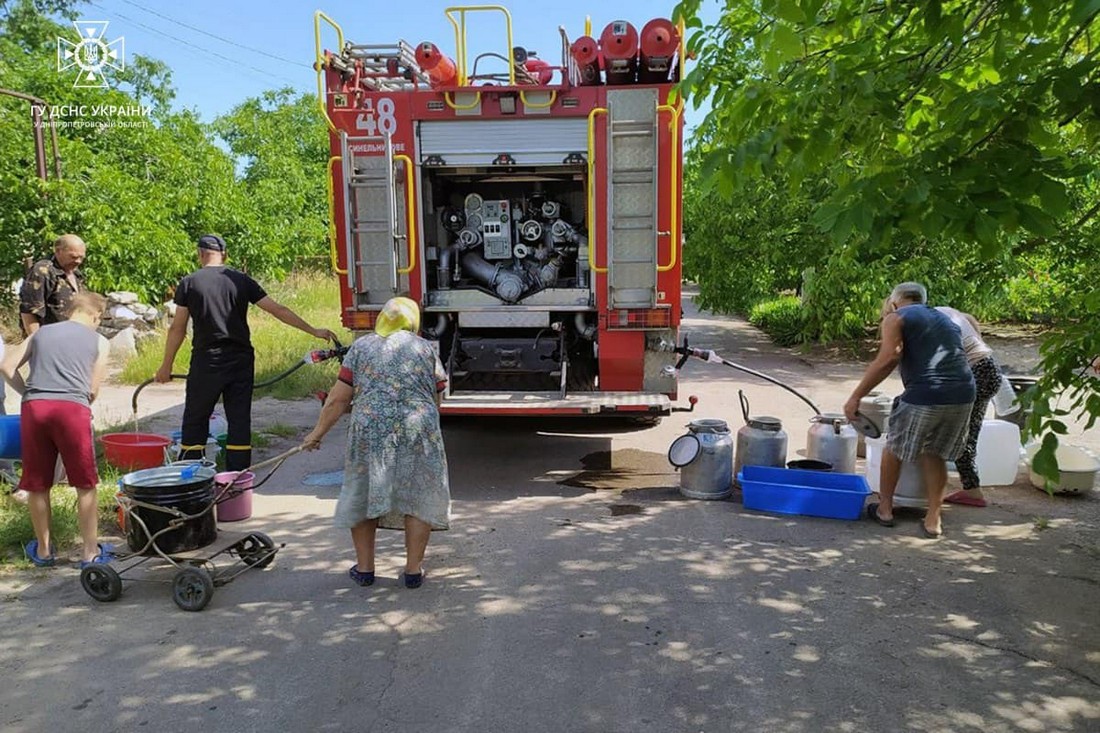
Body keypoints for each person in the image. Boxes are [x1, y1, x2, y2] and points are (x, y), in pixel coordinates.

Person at [302, 297, 450, 589]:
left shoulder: (361, 347)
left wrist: (316, 434)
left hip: (370, 429)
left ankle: (366, 568)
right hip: (418, 427)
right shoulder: (424, 349)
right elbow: (438, 393)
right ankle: (413, 570)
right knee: (418, 495)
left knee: (363, 491)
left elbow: (338, 399)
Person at [155, 234, 337, 472]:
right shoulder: (240, 280)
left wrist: (166, 366)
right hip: (240, 361)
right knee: (239, 420)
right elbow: (277, 310)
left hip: (206, 362)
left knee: (195, 419)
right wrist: (313, 330)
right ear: (225, 255)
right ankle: (238, 478)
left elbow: (177, 327)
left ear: (200, 254)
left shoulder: (190, 282)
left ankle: (192, 477)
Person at [844, 282, 975, 539]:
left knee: (893, 447)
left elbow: (889, 357)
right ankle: (933, 519)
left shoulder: (896, 317)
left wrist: (856, 397)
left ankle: (884, 509)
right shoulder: (945, 318)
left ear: (894, 301)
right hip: (963, 393)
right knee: (934, 451)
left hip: (927, 392)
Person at [0, 292, 112, 567]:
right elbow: (92, 389)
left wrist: (28, 393)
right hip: (72, 409)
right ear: (96, 315)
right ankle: (89, 552)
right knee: (85, 484)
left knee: (37, 483)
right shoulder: (100, 341)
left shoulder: (41, 333)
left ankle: (44, 551)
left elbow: (5, 365)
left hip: (35, 408)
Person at [934, 306, 1004, 508]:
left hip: (975, 376)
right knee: (968, 434)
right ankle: (972, 490)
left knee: (947, 432)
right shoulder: (950, 314)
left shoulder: (932, 318)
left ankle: (927, 488)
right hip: (990, 372)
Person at [19, 234, 87, 336]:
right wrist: (37, 342)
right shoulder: (43, 271)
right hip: (49, 340)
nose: (78, 261)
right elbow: (29, 311)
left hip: (71, 339)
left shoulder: (76, 274)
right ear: (58, 251)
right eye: (73, 256)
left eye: (81, 257)